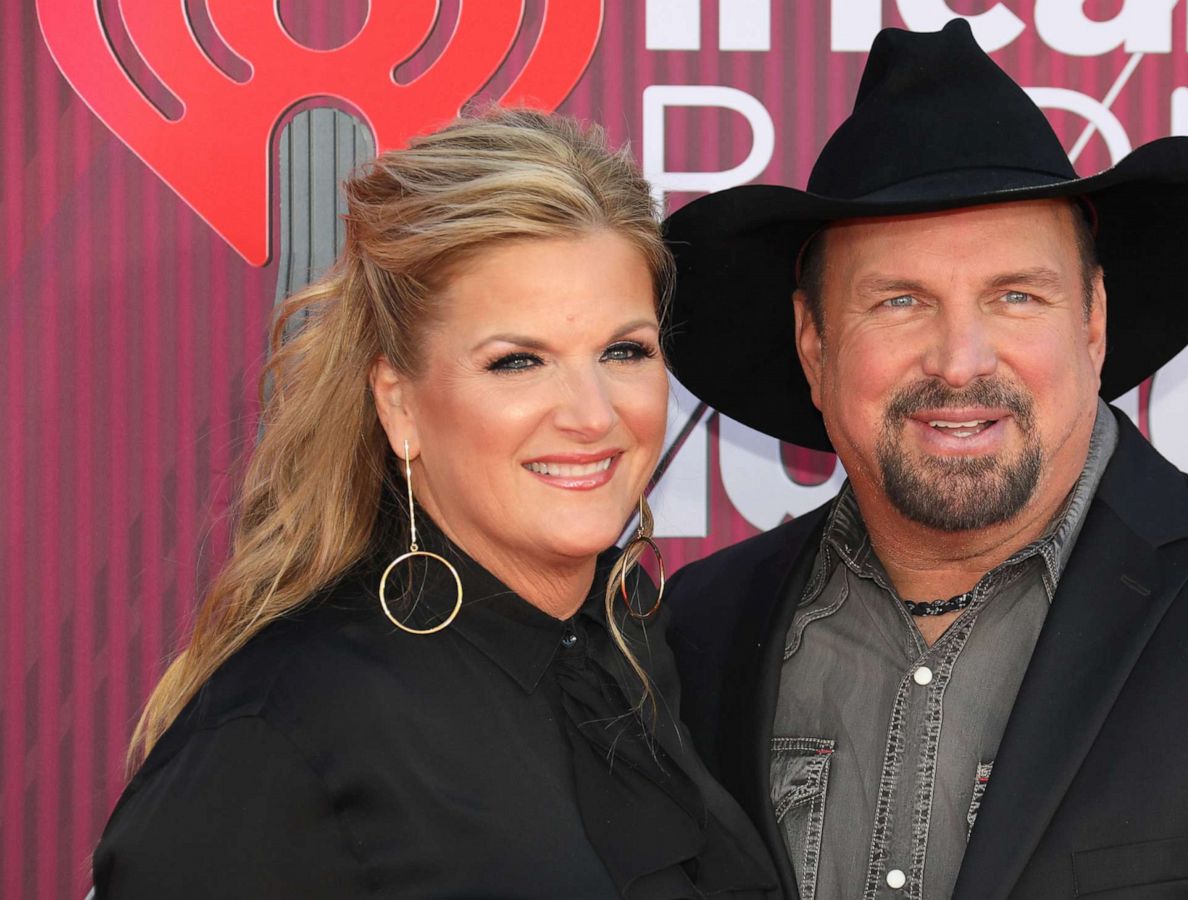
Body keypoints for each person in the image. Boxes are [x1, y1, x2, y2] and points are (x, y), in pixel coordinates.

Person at [660, 21, 1188, 900]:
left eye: (1016, 295)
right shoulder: (695, 630)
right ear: (814, 345)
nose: (961, 360)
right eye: (898, 301)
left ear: (1092, 320)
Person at [93, 108, 777, 899]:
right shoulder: (286, 721)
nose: (593, 414)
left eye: (624, 351)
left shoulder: (632, 645)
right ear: (400, 406)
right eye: (518, 361)